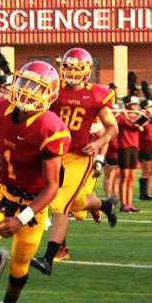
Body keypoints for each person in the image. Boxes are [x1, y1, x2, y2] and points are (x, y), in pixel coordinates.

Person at [0, 60, 70, 303]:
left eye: (37, 87)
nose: (27, 91)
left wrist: (20, 218)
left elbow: (52, 186)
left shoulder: (50, 128)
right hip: (3, 194)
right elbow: (0, 134)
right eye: (24, 83)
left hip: (33, 204)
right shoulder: (0, 108)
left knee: (20, 264)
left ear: (50, 94)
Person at [30, 47, 120, 275]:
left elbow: (113, 127)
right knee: (78, 204)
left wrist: (99, 145)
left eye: (76, 68)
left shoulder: (96, 94)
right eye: (68, 67)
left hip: (80, 156)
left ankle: (49, 258)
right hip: (56, 153)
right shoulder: (54, 90)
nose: (71, 72)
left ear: (87, 71)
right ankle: (105, 204)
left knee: (59, 204)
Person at [116, 96, 144, 212]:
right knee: (125, 177)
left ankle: (130, 203)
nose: (135, 106)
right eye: (133, 104)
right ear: (127, 105)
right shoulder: (122, 117)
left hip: (134, 148)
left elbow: (140, 128)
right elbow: (128, 124)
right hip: (125, 148)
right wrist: (124, 114)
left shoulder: (136, 116)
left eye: (136, 104)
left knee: (131, 177)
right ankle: (123, 204)